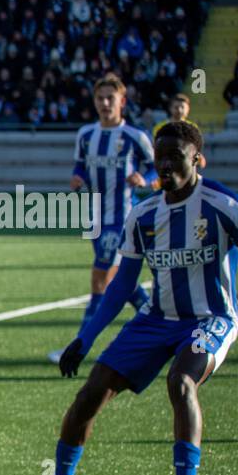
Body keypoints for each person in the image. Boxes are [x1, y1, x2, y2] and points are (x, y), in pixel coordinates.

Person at [27, 121, 238, 475]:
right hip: (155, 319)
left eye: (175, 157)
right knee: (91, 392)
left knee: (181, 382)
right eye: (159, 158)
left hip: (211, 317)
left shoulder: (227, 206)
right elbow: (122, 286)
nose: (164, 165)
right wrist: (85, 337)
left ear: (198, 159)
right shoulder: (143, 215)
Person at [52, 74, 155, 363]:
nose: (105, 103)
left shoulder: (136, 137)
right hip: (95, 219)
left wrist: (145, 179)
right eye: (100, 98)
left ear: (122, 101)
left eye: (111, 98)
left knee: (99, 280)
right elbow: (81, 165)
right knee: (122, 285)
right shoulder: (86, 135)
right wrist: (78, 178)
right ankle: (160, 328)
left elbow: (157, 168)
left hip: (122, 220)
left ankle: (77, 348)